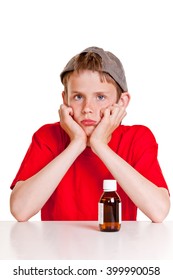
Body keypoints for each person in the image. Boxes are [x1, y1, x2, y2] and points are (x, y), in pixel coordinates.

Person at [10, 46, 170, 222]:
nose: (87, 109)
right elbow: (20, 210)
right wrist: (77, 143)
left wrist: (99, 145)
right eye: (78, 97)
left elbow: (159, 211)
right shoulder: (47, 136)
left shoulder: (138, 137)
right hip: (56, 248)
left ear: (121, 102)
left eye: (100, 97)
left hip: (118, 247)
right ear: (65, 99)